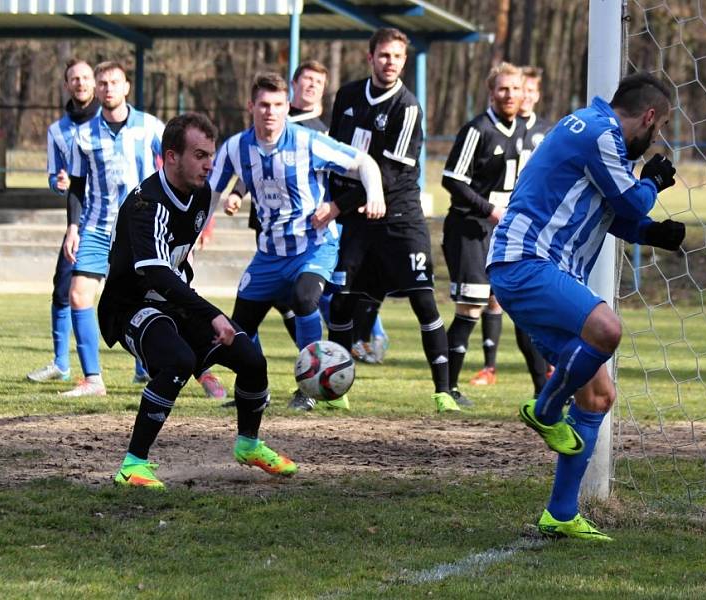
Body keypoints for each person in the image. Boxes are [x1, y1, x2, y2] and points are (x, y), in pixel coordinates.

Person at [488, 72, 683, 540]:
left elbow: (606, 211)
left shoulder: (593, 131)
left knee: (597, 395)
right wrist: (653, 183)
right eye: (657, 130)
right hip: (527, 260)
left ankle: (560, 512)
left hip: (539, 268)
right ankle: (545, 410)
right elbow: (631, 200)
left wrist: (650, 233)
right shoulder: (599, 132)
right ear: (650, 116)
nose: (654, 140)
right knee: (607, 330)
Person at [99, 112, 296, 488]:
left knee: (251, 359)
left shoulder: (202, 194)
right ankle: (132, 465)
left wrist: (201, 313)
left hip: (173, 302)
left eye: (211, 155)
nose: (209, 165)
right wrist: (213, 314)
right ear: (170, 157)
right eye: (200, 155)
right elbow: (156, 272)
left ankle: (249, 445)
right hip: (129, 307)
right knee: (177, 361)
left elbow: (176, 265)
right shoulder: (146, 205)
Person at [212, 72, 385, 412]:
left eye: (278, 105)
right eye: (263, 104)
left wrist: (375, 193)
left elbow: (364, 163)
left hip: (314, 245)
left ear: (287, 107)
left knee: (305, 298)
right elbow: (211, 191)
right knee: (240, 326)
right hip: (268, 253)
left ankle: (309, 388)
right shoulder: (236, 147)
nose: (270, 112)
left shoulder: (307, 141)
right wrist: (200, 226)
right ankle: (253, 389)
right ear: (251, 107)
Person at [327, 27, 459, 413]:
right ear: (370, 58)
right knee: (342, 302)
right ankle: (335, 390)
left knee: (423, 301)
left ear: (404, 61)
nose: (390, 63)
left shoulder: (407, 106)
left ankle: (443, 392)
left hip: (399, 216)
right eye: (384, 55)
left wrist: (337, 206)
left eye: (397, 57)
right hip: (357, 219)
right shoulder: (348, 96)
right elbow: (335, 152)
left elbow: (387, 173)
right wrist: (334, 201)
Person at [61, 61, 164, 397]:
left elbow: (176, 164)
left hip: (140, 230)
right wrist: (72, 227)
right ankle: (93, 379)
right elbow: (77, 185)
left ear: (126, 87)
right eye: (102, 83)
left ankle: (166, 367)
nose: (107, 88)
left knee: (153, 298)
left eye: (114, 82)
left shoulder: (150, 127)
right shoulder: (83, 133)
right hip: (96, 225)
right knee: (78, 294)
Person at [441, 62, 525, 408]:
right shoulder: (477, 129)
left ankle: (480, 373)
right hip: (469, 228)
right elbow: (452, 179)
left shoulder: (525, 130)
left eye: (515, 89)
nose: (509, 95)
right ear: (492, 93)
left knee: (496, 300)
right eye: (503, 89)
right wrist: (489, 209)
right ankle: (446, 388)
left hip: (503, 231)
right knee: (470, 305)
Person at [26, 58, 98, 383]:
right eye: (74, 78)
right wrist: (58, 184)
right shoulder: (57, 130)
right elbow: (55, 178)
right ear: (67, 85)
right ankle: (61, 363)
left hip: (119, 219)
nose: (80, 83)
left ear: (94, 82)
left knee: (136, 290)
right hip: (80, 221)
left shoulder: (110, 123)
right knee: (63, 289)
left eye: (85, 77)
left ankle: (144, 367)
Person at [510, 66, 557, 397]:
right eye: (520, 90)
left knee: (536, 306)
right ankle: (544, 381)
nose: (524, 97)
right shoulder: (505, 129)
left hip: (539, 227)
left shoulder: (548, 133)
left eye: (530, 91)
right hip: (507, 225)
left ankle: (554, 376)